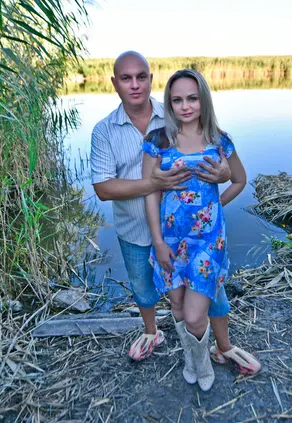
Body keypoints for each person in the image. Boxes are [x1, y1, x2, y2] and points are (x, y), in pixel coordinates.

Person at [90, 52, 260, 380]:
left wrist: (219, 189)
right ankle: (157, 334)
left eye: (142, 76)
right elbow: (103, 188)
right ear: (114, 83)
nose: (135, 84)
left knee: (212, 294)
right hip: (138, 227)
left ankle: (221, 346)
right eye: (126, 78)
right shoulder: (106, 131)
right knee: (147, 291)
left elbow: (228, 170)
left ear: (152, 79)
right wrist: (151, 183)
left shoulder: (171, 120)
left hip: (193, 236)